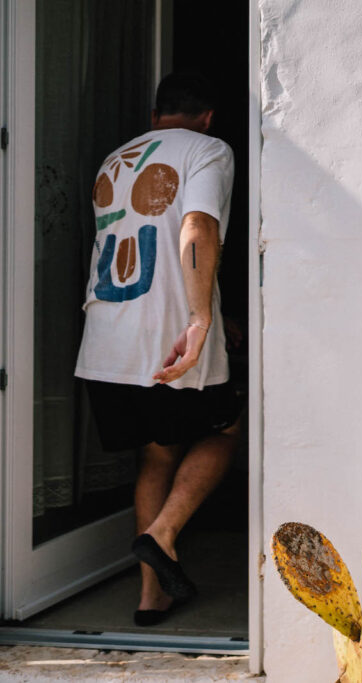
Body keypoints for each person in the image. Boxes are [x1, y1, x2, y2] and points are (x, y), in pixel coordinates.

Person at [74, 73, 239, 626]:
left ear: (155, 114)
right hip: (169, 334)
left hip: (107, 336)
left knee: (156, 452)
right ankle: (162, 534)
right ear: (208, 115)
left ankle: (152, 595)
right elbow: (195, 228)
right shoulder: (208, 149)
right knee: (228, 427)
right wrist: (200, 318)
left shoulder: (113, 159)